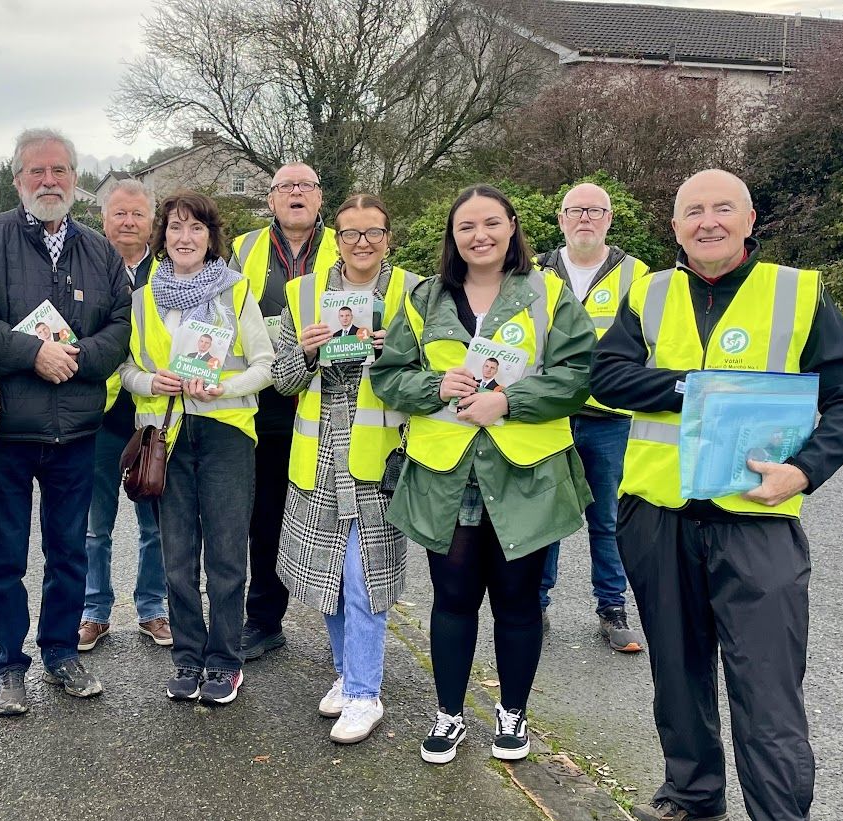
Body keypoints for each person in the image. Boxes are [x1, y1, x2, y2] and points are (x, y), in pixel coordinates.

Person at [592, 169, 843, 821]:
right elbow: (606, 376)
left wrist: (804, 470)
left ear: (749, 221)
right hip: (656, 513)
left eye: (722, 209)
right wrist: (692, 385)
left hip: (756, 516)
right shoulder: (646, 292)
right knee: (676, 668)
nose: (706, 221)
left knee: (766, 678)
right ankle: (693, 794)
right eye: (692, 211)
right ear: (674, 224)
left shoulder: (797, 292)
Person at [370, 184, 595, 765]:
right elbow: (390, 375)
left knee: (518, 603)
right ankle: (449, 715)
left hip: (525, 473)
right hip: (448, 475)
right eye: (467, 226)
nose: (480, 236)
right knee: (452, 599)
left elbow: (578, 374)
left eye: (492, 223)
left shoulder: (547, 294)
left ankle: (513, 715)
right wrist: (432, 386)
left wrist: (510, 401)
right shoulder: (424, 299)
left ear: (513, 226)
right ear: (453, 236)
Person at [0, 128, 132, 715]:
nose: (48, 182)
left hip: (77, 431)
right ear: (17, 178)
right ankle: (8, 664)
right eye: (36, 172)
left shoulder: (100, 251)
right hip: (7, 432)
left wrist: (72, 360)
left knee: (69, 550)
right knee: (5, 555)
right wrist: (33, 353)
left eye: (60, 172)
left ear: (75, 179)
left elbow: (122, 327)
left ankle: (60, 653)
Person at [273, 193, 418, 744]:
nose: (362, 243)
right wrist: (308, 351)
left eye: (373, 233)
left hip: (381, 455)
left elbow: (433, 376)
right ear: (335, 237)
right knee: (326, 577)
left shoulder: (412, 293)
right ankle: (345, 672)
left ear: (388, 237)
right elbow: (283, 379)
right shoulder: (305, 293)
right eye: (351, 233)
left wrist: (394, 354)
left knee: (364, 578)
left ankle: (364, 692)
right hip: (320, 452)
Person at [120, 190, 274, 704]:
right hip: (166, 437)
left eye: (196, 229)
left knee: (228, 554)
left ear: (211, 238)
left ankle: (225, 661)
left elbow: (264, 364)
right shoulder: (143, 298)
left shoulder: (235, 292)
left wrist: (223, 389)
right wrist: (150, 383)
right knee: (177, 555)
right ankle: (187, 656)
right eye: (176, 228)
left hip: (227, 433)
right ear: (162, 236)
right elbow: (125, 369)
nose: (185, 238)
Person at [229, 163, 340, 661]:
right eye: (285, 187)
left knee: (338, 516)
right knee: (265, 515)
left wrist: (284, 336)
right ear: (271, 199)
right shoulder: (244, 248)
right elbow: (230, 317)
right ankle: (265, 620)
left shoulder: (348, 240)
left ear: (320, 197)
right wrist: (290, 337)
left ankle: (343, 624)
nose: (296, 193)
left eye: (306, 186)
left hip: (334, 397)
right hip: (269, 403)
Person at [535, 182, 650, 651]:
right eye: (576, 211)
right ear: (561, 220)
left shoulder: (637, 274)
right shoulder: (537, 270)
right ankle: (535, 604)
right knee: (547, 514)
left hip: (610, 417)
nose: (585, 217)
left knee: (607, 518)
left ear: (609, 218)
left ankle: (612, 607)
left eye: (595, 210)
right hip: (549, 415)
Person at [80, 179, 170, 652]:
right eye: (120, 213)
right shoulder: (87, 268)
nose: (129, 222)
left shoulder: (172, 272)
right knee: (96, 527)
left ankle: (152, 608)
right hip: (98, 416)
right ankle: (94, 611)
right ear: (104, 218)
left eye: (138, 214)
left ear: (152, 221)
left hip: (155, 418)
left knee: (155, 523)